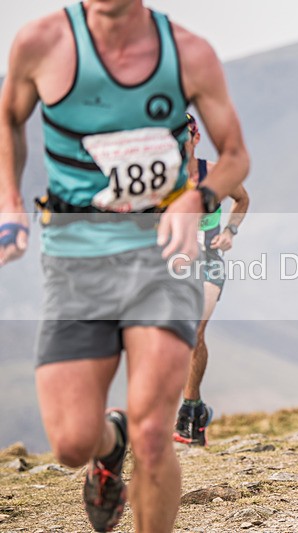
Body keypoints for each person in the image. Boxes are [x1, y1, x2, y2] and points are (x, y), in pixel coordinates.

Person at [0, 1, 249, 531]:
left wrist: (196, 200)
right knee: (70, 442)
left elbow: (234, 157)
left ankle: (136, 445)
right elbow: (9, 116)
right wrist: (10, 204)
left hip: (163, 256)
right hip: (76, 260)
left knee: (155, 435)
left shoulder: (187, 52)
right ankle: (108, 446)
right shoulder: (41, 42)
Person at [173, 113, 250, 446]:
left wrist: (231, 230)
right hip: (175, 264)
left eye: (182, 138)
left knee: (194, 330)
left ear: (195, 138)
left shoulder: (215, 173)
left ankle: (187, 412)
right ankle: (198, 409)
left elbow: (242, 198)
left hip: (210, 262)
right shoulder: (163, 180)